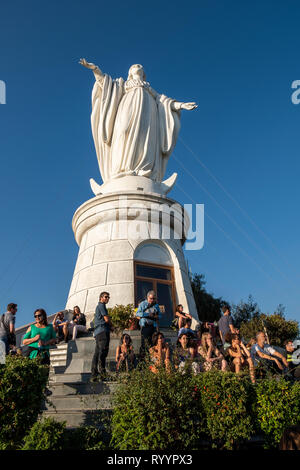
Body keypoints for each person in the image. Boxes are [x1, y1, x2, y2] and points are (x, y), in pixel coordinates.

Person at [91, 292, 113, 382]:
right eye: (106, 297)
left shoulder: (99, 306)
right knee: (102, 353)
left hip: (98, 332)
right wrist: (112, 326)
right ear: (101, 298)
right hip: (103, 331)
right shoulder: (101, 306)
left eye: (108, 297)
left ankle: (94, 374)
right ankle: (103, 374)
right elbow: (106, 319)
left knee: (97, 354)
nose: (107, 298)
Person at [136, 291, 161, 357]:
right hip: (145, 326)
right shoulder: (142, 304)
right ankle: (143, 362)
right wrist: (147, 314)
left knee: (153, 344)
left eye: (153, 299)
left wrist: (156, 316)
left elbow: (160, 315)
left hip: (153, 326)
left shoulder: (156, 305)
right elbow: (137, 314)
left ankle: (152, 362)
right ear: (147, 297)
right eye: (151, 298)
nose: (152, 300)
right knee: (144, 344)